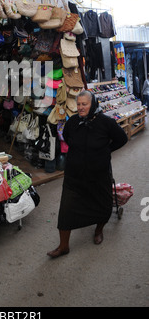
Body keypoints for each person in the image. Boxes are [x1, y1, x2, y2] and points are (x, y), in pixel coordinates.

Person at [47, 90, 128, 259]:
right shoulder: (73, 122)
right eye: (79, 104)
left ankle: (98, 231)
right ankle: (63, 246)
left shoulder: (106, 122)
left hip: (99, 175)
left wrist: (106, 151)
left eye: (85, 104)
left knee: (103, 206)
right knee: (66, 210)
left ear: (93, 104)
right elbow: (67, 138)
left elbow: (122, 139)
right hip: (74, 175)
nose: (81, 108)